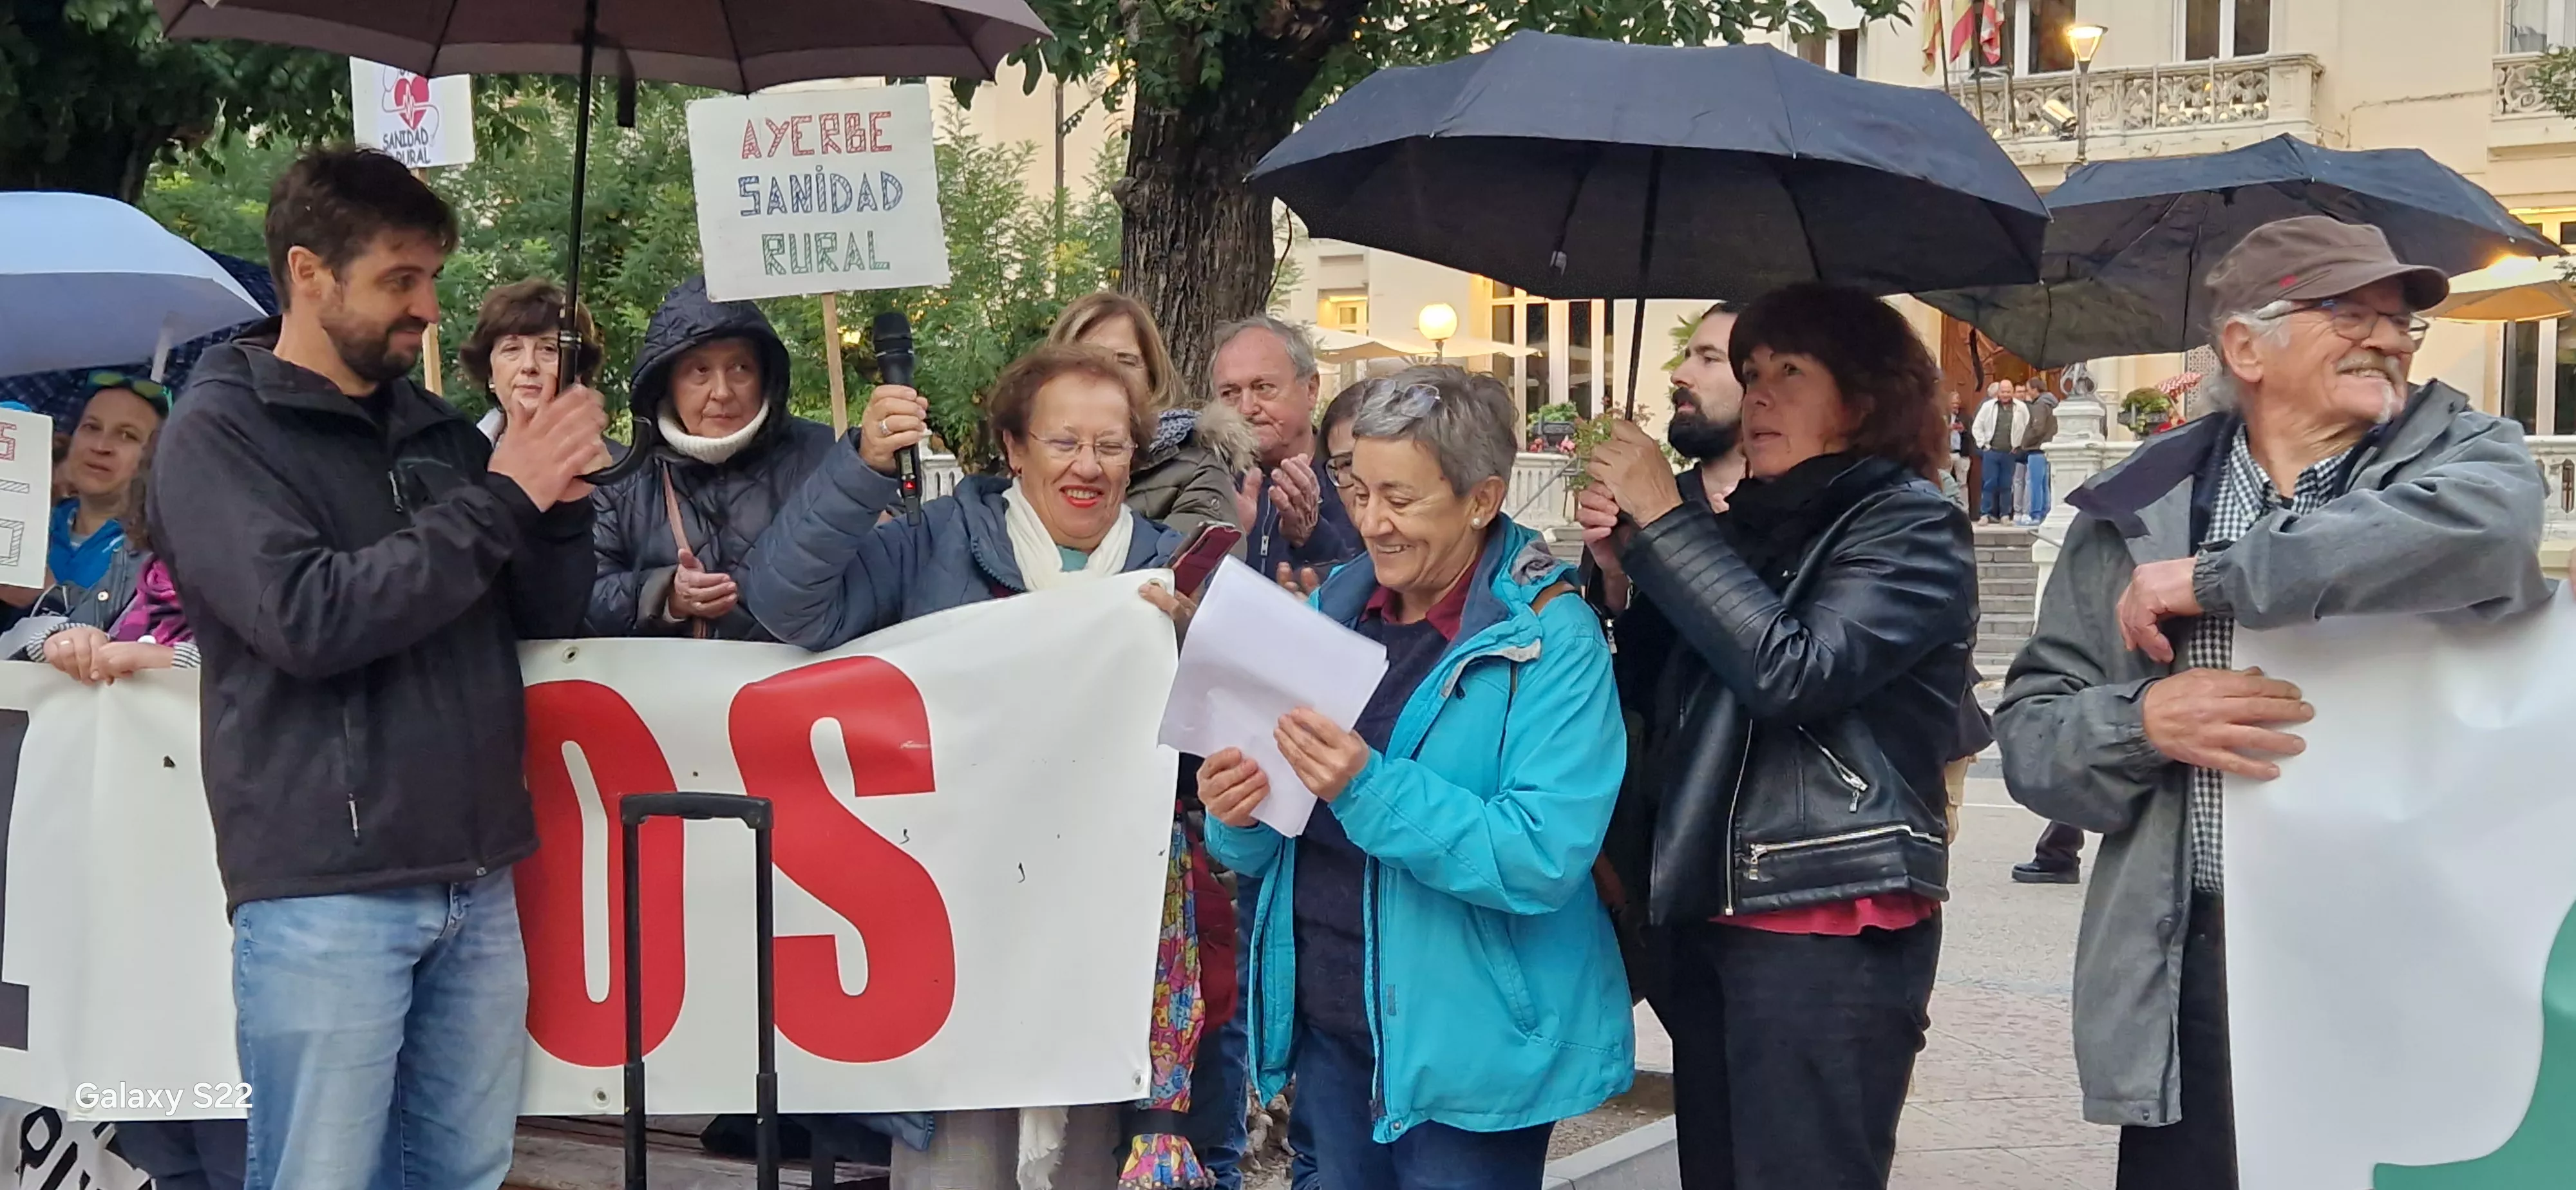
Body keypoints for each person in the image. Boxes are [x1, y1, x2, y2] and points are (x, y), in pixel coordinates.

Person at [1996, 215, 2549, 1189]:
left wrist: (2213, 579)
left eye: (2400, 321)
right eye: (2350, 312)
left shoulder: (2468, 464)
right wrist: (2141, 726)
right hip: (2203, 965)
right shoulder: (2136, 508)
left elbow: (2488, 536)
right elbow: (2036, 739)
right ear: (2245, 348)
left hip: (2419, 958)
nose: (2387, 337)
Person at [147, 147, 605, 1190]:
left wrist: (558, 511)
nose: (429, 309)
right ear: (308, 272)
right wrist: (499, 500)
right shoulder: (220, 432)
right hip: (326, 886)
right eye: (401, 279)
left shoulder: (440, 431)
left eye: (434, 279)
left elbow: (538, 614)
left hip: (478, 874)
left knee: (465, 1172)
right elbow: (308, 617)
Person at [744, 343, 1189, 1188]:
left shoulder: (1178, 568)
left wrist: (1195, 646)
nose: (1087, 467)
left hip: (1101, 957)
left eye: (1111, 445)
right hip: (952, 944)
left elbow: (1219, 764)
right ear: (1014, 448)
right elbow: (783, 605)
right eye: (1063, 443)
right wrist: (861, 470)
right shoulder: (934, 542)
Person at [1580, 283, 1973, 1190]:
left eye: (1790, 372)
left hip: (1826, 919)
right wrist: (1622, 574)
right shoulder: (1745, 527)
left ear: (1864, 399)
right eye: (1750, 372)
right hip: (1715, 908)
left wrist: (1671, 528)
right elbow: (1668, 695)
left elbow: (1794, 672)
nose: (1758, 396)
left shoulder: (1909, 524)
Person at [1199, 365, 1632, 1190]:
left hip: (1469, 1056)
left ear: (1481, 498)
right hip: (1330, 1034)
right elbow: (1268, 850)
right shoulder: (1332, 607)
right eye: (1359, 492)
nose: (1372, 523)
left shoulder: (1549, 639)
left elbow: (1541, 856)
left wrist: (1366, 786)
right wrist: (1239, 815)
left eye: (1402, 499)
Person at [588, 276, 835, 640]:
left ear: (765, 377)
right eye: (700, 371)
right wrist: (665, 594)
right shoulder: (623, 479)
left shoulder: (824, 453)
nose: (721, 392)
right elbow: (584, 600)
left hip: (804, 690)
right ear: (667, 383)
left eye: (740, 369)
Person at [1054, 292, 1256, 538]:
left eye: (1126, 361)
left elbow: (1182, 571)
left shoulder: (1197, 469)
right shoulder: (1033, 461)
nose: (1111, 374)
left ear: (1151, 377)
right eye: (1090, 360)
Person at [0, 373, 168, 617]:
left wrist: (48, 596)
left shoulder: (155, 553)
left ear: (155, 456)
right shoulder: (34, 520)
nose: (100, 446)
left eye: (127, 435)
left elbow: (128, 636)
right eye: (91, 427)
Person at [1212, 316, 1359, 580]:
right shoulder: (1208, 480)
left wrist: (1313, 537)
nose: (1246, 409)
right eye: (1230, 393)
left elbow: (1375, 586)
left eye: (1263, 388)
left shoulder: (1353, 477)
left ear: (1311, 390)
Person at [460, 278, 604, 440]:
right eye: (512, 349)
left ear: (579, 370)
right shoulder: (458, 459)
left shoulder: (615, 463)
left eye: (548, 349)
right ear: (490, 372)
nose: (529, 366)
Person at [1971, 379, 2022, 525]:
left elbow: (2025, 426)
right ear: (1998, 393)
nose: (2006, 395)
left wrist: (2018, 444)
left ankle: (2005, 515)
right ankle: (1985, 514)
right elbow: (1977, 426)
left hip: (2009, 453)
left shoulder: (2020, 408)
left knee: (2007, 484)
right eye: (2003, 392)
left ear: (2012, 392)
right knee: (1989, 483)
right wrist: (1983, 444)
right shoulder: (1988, 407)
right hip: (1992, 451)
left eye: (2008, 392)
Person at [2014, 381, 2060, 524]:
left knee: (2035, 483)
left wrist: (2025, 442)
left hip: (2036, 448)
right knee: (2044, 484)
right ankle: (2045, 512)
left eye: (2029, 390)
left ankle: (2036, 515)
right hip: (2047, 448)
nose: (2028, 393)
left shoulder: (2040, 405)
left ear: (2035, 389)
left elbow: (2037, 428)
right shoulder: (2052, 403)